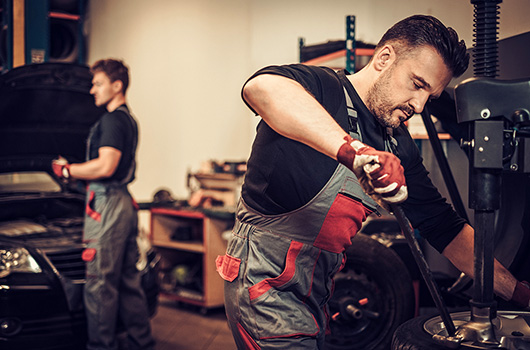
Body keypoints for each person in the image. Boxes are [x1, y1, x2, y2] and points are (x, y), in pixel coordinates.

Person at [215, 15, 530, 349]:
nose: (419, 105)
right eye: (417, 84)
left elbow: (444, 227)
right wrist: (355, 152)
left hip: (318, 291)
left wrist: (518, 291)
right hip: (264, 288)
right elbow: (262, 88)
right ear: (383, 59)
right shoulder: (323, 89)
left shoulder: (397, 142)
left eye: (430, 97)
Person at [52, 59, 155, 350]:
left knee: (99, 281)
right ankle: (141, 343)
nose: (91, 90)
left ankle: (101, 346)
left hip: (107, 202)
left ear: (116, 85)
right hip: (122, 201)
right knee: (127, 280)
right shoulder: (127, 119)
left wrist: (68, 170)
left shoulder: (111, 120)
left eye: (97, 83)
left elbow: (105, 166)